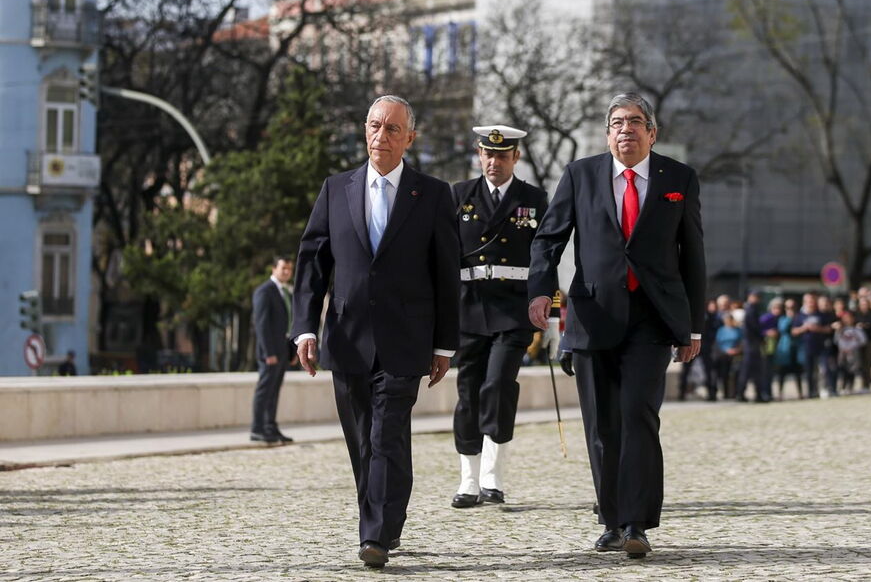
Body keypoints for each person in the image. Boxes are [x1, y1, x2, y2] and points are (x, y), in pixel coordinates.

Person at [527, 92, 706, 559]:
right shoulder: (580, 175)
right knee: (602, 424)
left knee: (639, 415)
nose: (626, 129)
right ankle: (611, 520)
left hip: (653, 318)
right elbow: (548, 239)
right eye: (618, 122)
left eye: (636, 121)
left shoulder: (678, 178)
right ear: (607, 134)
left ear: (652, 133)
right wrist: (541, 291)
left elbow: (693, 255)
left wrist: (693, 327)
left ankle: (636, 523)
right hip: (593, 316)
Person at [290, 95, 460, 569]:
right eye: (374, 126)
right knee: (363, 441)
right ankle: (388, 518)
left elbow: (446, 273)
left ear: (410, 138)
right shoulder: (335, 189)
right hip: (347, 338)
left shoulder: (432, 194)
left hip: (406, 340)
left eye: (392, 129)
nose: (381, 136)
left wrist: (445, 343)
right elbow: (313, 262)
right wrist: (304, 329)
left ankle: (375, 536)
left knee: (386, 435)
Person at [450, 124, 554, 508]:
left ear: (516, 157)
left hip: (513, 308)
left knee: (497, 385)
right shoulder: (460, 195)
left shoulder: (533, 199)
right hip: (469, 305)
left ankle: (492, 476)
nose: (494, 162)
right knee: (468, 391)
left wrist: (552, 312)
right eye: (488, 154)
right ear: (480, 155)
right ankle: (468, 479)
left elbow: (546, 257)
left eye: (502, 155)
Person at [250, 256, 296, 443]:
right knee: (265, 390)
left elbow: (290, 324)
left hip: (283, 350)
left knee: (275, 390)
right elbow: (261, 325)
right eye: (283, 268)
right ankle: (257, 429)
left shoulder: (287, 292)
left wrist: (292, 351)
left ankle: (271, 427)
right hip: (270, 352)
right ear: (273, 269)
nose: (286, 272)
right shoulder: (264, 291)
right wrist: (269, 353)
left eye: (289, 269)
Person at [736, 291, 768, 402]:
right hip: (751, 344)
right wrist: (762, 338)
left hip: (751, 343)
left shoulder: (752, 309)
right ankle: (743, 394)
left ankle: (753, 394)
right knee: (751, 370)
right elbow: (754, 327)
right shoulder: (751, 310)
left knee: (752, 370)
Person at [775, 298, 804, 400]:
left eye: (793, 307)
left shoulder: (800, 318)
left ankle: (800, 393)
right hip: (785, 349)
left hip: (797, 348)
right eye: (788, 307)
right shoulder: (782, 319)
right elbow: (782, 329)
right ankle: (780, 394)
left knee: (798, 372)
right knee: (782, 373)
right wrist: (789, 318)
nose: (791, 309)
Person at [835, 310, 867, 393]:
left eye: (849, 318)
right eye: (845, 318)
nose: (847, 320)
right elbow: (836, 341)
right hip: (843, 352)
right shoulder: (840, 330)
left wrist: (853, 347)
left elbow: (863, 340)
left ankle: (852, 386)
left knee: (854, 369)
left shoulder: (857, 329)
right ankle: (843, 387)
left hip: (854, 352)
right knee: (843, 369)